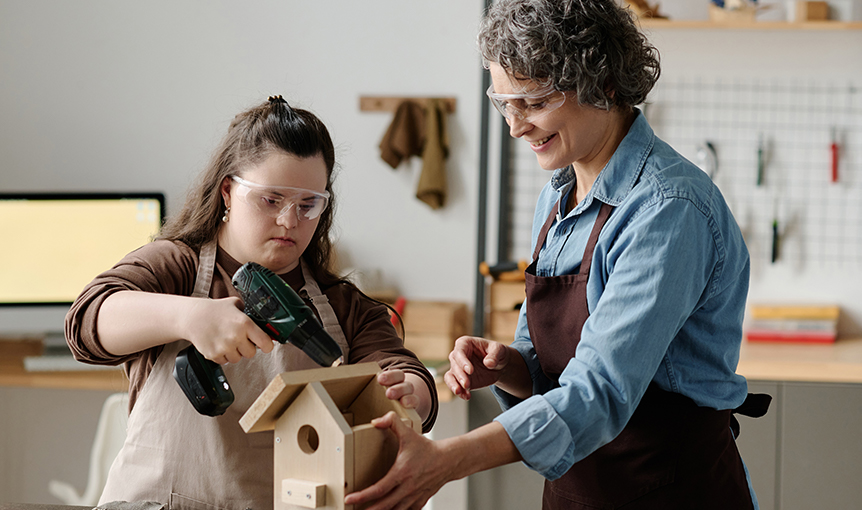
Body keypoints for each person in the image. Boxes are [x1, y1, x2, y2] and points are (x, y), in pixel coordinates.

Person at [345, 1, 770, 509]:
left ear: (604, 83)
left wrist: (446, 461)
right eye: (504, 104)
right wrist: (508, 366)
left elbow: (600, 391)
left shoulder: (667, 210)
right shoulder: (558, 195)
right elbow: (552, 370)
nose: (515, 126)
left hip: (673, 489)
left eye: (534, 101)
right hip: (582, 492)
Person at [65, 95, 438, 510]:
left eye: (308, 204)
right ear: (228, 192)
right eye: (271, 199)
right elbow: (87, 322)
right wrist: (187, 317)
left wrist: (412, 393)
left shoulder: (344, 306)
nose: (289, 221)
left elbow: (404, 373)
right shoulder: (177, 267)